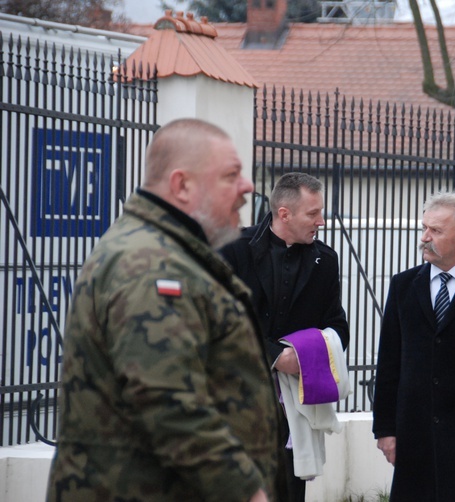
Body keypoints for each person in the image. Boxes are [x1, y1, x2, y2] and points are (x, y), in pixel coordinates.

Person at [46, 118, 283, 502]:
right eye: (231, 175)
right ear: (182, 185)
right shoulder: (150, 264)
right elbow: (169, 402)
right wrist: (246, 492)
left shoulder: (169, 253)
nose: (248, 187)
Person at [221, 172, 349, 502]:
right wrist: (276, 355)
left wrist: (310, 354)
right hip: (236, 400)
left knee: (289, 493)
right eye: (313, 213)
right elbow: (217, 324)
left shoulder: (325, 260)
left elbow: (338, 327)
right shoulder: (234, 250)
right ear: (284, 214)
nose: (321, 221)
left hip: (295, 410)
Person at [372, 192, 455, 502]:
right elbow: (389, 361)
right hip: (412, 434)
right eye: (424, 228)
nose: (425, 237)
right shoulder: (403, 285)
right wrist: (385, 429)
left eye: (436, 231)